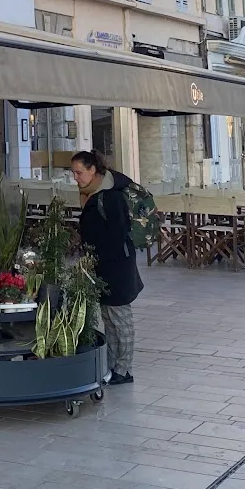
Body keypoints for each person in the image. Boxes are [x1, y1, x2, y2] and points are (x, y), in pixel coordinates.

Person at [70, 150, 142, 385]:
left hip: (116, 265)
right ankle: (112, 365)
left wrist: (100, 257)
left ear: (93, 170)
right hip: (102, 264)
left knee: (121, 317)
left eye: (79, 172)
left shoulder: (110, 196)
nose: (76, 178)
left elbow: (118, 233)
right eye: (74, 173)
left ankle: (125, 369)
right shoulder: (92, 194)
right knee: (109, 317)